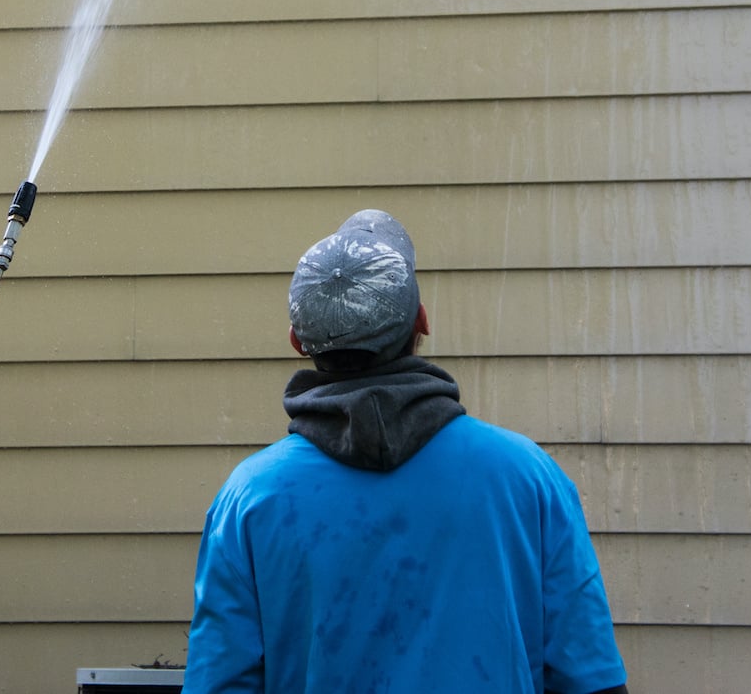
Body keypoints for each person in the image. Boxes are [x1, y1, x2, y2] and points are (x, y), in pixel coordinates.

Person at [183, 210, 629, 694]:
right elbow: (592, 680)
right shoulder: (527, 476)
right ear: (421, 320)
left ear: (297, 341)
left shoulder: (248, 498)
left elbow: (220, 682)